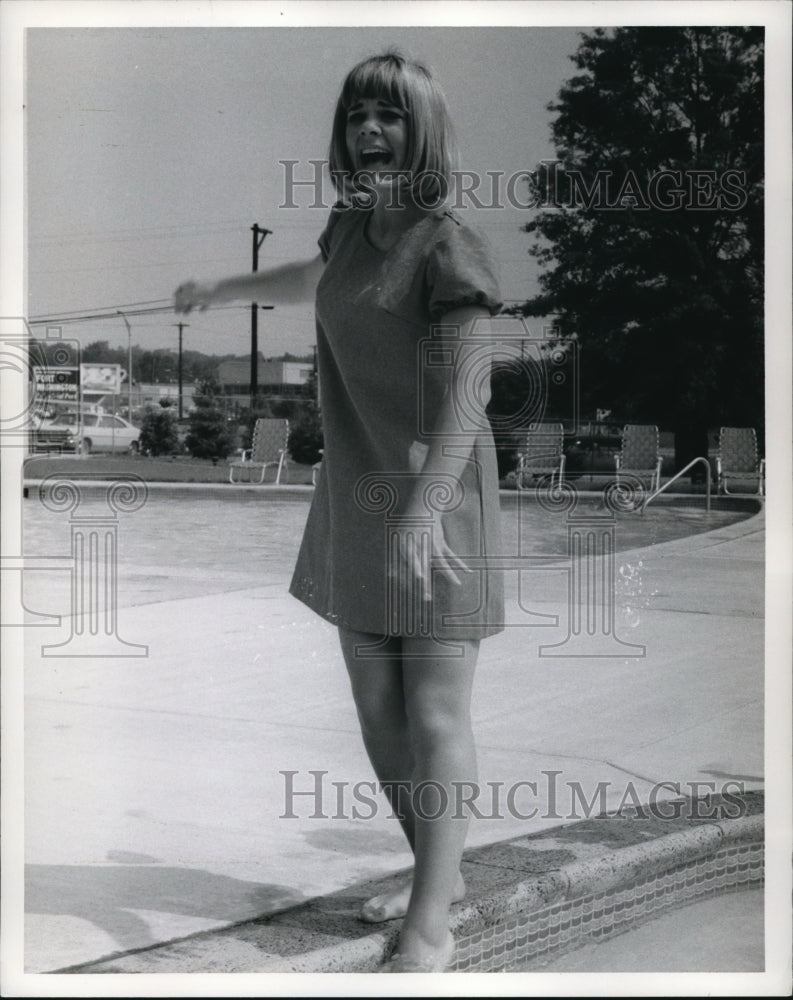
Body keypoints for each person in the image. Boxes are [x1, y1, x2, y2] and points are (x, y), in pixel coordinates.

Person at [175, 52, 504, 973]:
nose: (370, 130)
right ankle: (439, 875)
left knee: (433, 709)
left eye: (391, 117)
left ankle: (432, 924)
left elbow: (469, 391)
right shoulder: (352, 229)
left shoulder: (447, 244)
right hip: (358, 491)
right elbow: (307, 280)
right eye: (358, 114)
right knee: (374, 705)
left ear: (424, 131)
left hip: (436, 497)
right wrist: (221, 289)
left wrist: (424, 512)